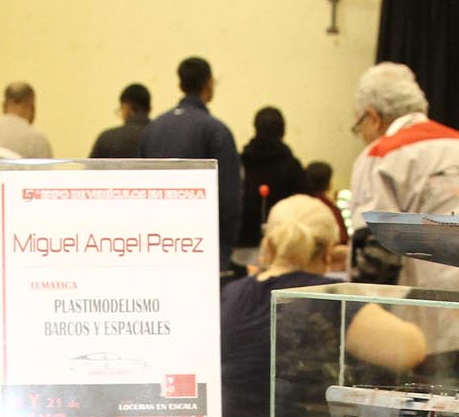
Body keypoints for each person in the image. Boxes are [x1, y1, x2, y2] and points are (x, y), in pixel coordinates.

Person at [347, 61, 459, 399]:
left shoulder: (381, 154)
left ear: (373, 116)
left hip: (431, 319)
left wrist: (361, 319)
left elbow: (376, 255)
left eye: (359, 126)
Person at [219, 195, 423, 417]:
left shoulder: (232, 293)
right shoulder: (328, 297)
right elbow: (409, 349)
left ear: (267, 244)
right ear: (328, 252)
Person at [141, 56, 240, 275]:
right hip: (201, 249)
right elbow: (228, 199)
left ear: (180, 85)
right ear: (209, 84)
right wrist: (223, 252)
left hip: (155, 246)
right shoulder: (216, 131)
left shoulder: (153, 129)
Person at [0, 79, 52, 198]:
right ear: (31, 107)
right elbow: (45, 193)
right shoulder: (37, 140)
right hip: (13, 209)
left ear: (4, 106)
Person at [238, 105, 305, 253]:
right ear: (283, 132)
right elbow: (303, 206)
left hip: (242, 242)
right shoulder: (293, 166)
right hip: (284, 244)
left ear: (255, 129)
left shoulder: (240, 163)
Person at [88, 82, 150, 158]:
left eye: (121, 109)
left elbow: (90, 165)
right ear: (149, 108)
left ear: (128, 108)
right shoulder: (159, 137)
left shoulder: (107, 138)